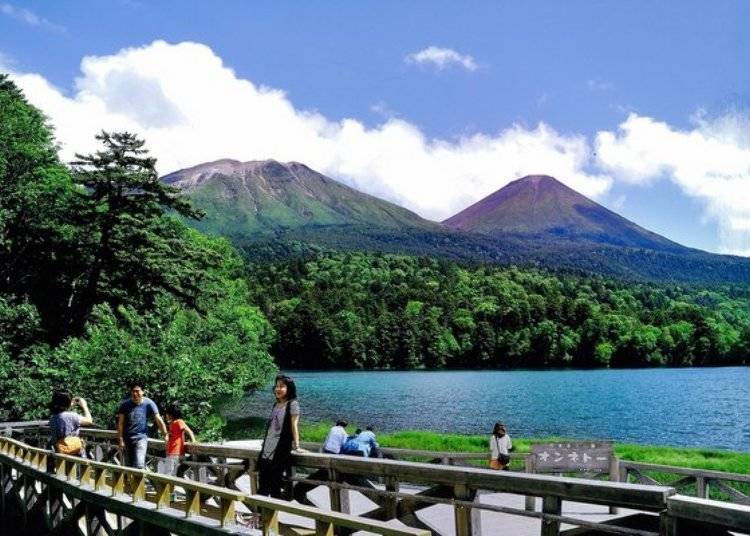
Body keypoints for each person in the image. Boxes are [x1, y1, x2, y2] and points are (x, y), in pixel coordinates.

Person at [257, 374, 301, 498]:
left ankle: (269, 516)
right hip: (266, 449)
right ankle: (259, 515)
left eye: (281, 386)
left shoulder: (293, 404)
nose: (278, 389)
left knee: (275, 485)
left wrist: (296, 446)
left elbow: (294, 426)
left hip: (280, 450)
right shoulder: (275, 405)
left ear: (289, 388)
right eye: (276, 386)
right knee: (263, 484)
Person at [116, 380, 168, 469]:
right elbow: (120, 423)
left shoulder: (149, 403)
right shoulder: (125, 405)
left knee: (139, 465)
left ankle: (138, 482)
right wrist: (120, 439)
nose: (135, 393)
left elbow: (158, 419)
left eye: (138, 391)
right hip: (127, 438)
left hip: (141, 437)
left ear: (142, 392)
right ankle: (130, 483)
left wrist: (165, 434)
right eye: (133, 391)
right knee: (129, 466)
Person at [48, 392, 93, 456]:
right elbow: (89, 421)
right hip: (73, 451)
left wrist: (69, 404)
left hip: (59, 450)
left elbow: (64, 415)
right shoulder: (72, 416)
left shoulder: (53, 417)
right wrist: (84, 406)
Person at [164, 403, 196, 475]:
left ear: (171, 414)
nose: (165, 416)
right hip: (171, 452)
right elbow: (172, 435)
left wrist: (193, 442)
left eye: (167, 414)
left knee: (170, 475)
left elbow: (189, 431)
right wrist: (167, 436)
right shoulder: (172, 424)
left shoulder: (179, 422)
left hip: (176, 453)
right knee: (172, 474)